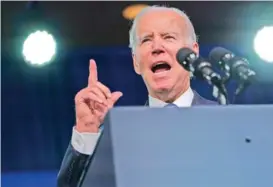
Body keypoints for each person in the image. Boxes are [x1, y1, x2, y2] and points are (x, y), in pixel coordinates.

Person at [57, 5, 218, 187]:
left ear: (193, 53)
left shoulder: (224, 120)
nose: (157, 47)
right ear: (135, 62)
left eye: (168, 37)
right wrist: (87, 131)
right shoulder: (120, 138)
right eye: (146, 40)